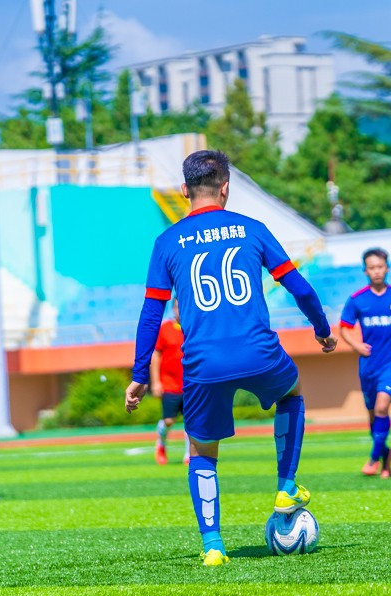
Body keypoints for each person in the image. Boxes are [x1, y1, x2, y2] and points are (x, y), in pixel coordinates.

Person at [125, 150, 337, 566]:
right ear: (225, 188)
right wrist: (322, 328)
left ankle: (213, 546)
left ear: (184, 190)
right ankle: (286, 485)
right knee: (291, 392)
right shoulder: (252, 228)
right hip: (258, 350)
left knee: (203, 451)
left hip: (202, 362)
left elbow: (151, 314)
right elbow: (299, 287)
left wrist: (139, 373)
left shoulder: (167, 242)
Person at [339, 248, 391, 479]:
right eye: (372, 268)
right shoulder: (357, 299)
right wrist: (356, 345)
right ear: (366, 271)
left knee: (382, 407)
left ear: (387, 268)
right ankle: (386, 455)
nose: (377, 271)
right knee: (372, 415)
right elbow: (344, 327)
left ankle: (373, 459)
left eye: (380, 266)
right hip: (369, 364)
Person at [151, 298, 190, 465]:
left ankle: (189, 454)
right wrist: (156, 382)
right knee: (168, 421)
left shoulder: (194, 327)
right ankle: (161, 444)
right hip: (169, 384)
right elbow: (156, 355)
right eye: (178, 307)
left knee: (192, 421)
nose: (180, 310)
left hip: (192, 384)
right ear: (173, 309)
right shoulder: (165, 328)